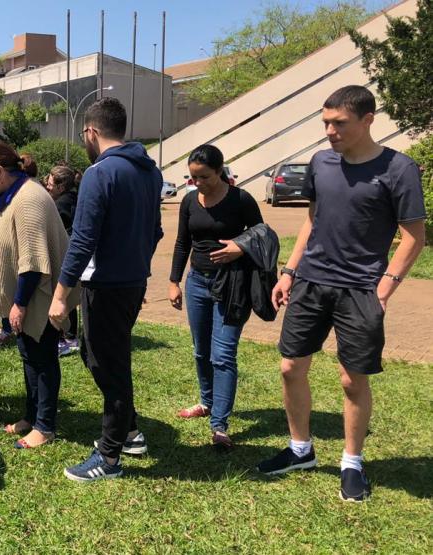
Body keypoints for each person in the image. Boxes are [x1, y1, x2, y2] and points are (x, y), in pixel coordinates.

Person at [256, 85, 426, 502]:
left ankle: (352, 462)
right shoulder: (321, 163)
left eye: (340, 123)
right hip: (311, 281)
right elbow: (314, 220)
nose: (330, 131)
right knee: (290, 368)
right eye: (326, 123)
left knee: (352, 380)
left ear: (368, 120)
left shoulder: (398, 169)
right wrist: (290, 271)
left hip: (360, 289)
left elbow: (413, 238)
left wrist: (384, 289)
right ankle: (301, 449)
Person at [49, 97, 163, 482]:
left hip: (106, 284)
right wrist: (137, 263)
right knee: (100, 357)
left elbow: (82, 240)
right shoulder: (150, 171)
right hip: (131, 281)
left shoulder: (99, 174)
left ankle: (109, 457)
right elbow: (156, 230)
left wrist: (61, 294)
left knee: (110, 366)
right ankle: (129, 432)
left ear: (91, 132)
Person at [0, 140, 77, 449]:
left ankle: (45, 425)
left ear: (1, 172)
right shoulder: (10, 195)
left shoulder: (29, 197)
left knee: (43, 359)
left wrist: (18, 304)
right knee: (29, 357)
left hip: (38, 296)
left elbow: (33, 262)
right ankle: (32, 416)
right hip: (25, 298)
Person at [168, 145, 264, 450]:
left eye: (204, 177)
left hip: (232, 285)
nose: (198, 183)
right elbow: (183, 242)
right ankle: (206, 402)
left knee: (223, 355)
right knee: (201, 350)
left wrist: (239, 247)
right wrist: (174, 281)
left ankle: (219, 425)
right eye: (193, 177)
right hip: (197, 282)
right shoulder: (188, 201)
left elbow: (262, 234)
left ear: (221, 171)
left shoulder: (241, 200)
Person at [45, 164, 82, 356]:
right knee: (70, 295)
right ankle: (71, 336)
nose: (47, 186)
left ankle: (66, 337)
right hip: (75, 256)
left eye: (50, 183)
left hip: (63, 255)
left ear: (60, 187)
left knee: (61, 296)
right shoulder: (76, 198)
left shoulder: (59, 205)